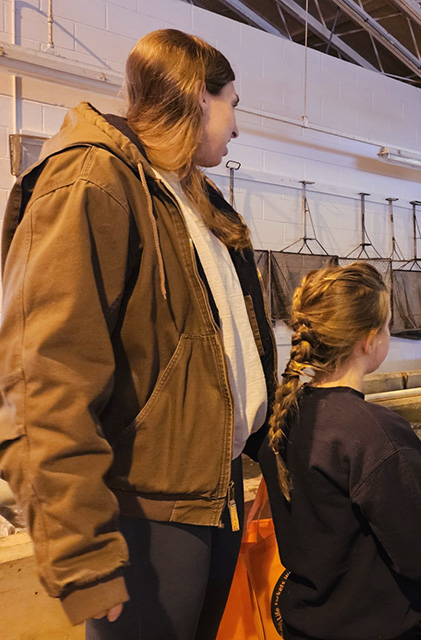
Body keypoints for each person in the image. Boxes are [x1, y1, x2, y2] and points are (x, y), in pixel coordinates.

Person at [0, 30, 276, 639]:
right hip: (147, 518)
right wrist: (81, 555)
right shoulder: (93, 182)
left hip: (212, 496)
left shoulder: (189, 197)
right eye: (235, 102)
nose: (238, 126)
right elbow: (42, 376)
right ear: (199, 98)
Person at [260, 263, 421, 640]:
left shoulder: (285, 418)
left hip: (304, 624)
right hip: (373, 628)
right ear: (370, 341)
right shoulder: (376, 436)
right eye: (386, 326)